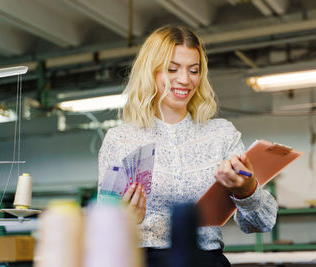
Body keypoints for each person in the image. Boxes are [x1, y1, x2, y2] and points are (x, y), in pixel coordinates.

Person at [98, 25, 278, 267]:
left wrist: (247, 190)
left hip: (207, 261)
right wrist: (125, 222)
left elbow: (261, 223)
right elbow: (103, 234)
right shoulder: (120, 139)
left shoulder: (221, 134)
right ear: (150, 71)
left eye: (194, 70)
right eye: (172, 69)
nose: (184, 80)